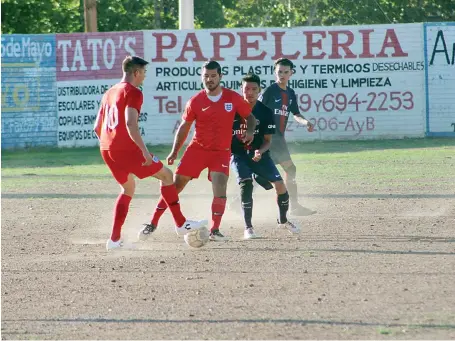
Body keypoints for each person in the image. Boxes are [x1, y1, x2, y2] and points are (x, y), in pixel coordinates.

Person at [93, 56, 206, 251]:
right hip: (126, 150)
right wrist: (144, 152)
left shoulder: (109, 92)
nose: (144, 77)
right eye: (144, 73)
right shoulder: (134, 92)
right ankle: (180, 224)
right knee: (167, 175)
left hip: (106, 148)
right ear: (136, 73)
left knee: (127, 189)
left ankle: (114, 240)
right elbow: (130, 123)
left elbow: (97, 127)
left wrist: (110, 144)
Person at [143, 60, 257, 241]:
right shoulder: (195, 101)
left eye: (213, 76)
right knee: (176, 186)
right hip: (197, 150)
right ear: (201, 77)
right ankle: (153, 222)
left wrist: (250, 131)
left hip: (220, 151)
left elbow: (250, 117)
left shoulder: (233, 98)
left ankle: (215, 230)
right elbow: (184, 127)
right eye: (206, 76)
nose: (209, 79)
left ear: (220, 76)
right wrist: (174, 152)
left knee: (220, 187)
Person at [231, 73, 300, 239]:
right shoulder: (232, 110)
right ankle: (248, 228)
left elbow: (268, 140)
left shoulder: (265, 112)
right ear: (241, 90)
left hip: (259, 155)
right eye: (246, 89)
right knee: (246, 184)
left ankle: (283, 221)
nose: (250, 92)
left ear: (259, 91)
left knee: (280, 185)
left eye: (254, 89)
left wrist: (260, 151)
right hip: (239, 155)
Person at [258, 57, 315, 216]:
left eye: (285, 72)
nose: (281, 75)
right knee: (290, 168)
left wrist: (305, 122)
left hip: (279, 138)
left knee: (264, 170)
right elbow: (258, 109)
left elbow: (295, 113)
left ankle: (237, 201)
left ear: (291, 73)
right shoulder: (270, 91)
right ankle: (294, 206)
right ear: (275, 73)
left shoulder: (290, 93)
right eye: (279, 72)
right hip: (270, 137)